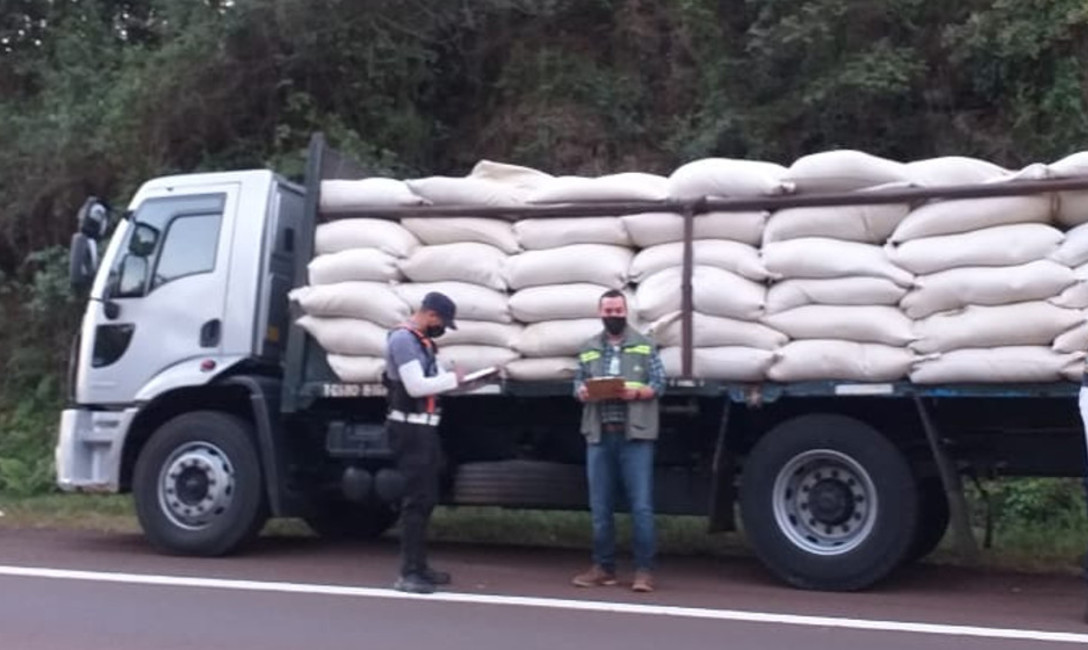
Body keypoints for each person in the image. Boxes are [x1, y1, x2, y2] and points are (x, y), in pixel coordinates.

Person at [571, 289, 666, 593]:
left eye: (617, 311)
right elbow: (578, 382)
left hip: (634, 435)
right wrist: (582, 391)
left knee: (641, 507)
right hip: (599, 434)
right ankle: (603, 567)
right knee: (600, 507)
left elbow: (659, 383)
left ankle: (644, 571)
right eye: (608, 311)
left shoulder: (644, 345)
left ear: (626, 312)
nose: (613, 315)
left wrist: (635, 393)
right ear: (600, 313)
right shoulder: (589, 348)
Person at [383, 291, 469, 594]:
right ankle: (408, 573)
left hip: (424, 428)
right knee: (416, 501)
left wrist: (460, 381)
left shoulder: (424, 344)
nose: (441, 328)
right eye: (442, 322)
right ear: (431, 315)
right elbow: (416, 386)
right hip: (409, 429)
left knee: (427, 497)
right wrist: (453, 380)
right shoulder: (403, 340)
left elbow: (434, 383)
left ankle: (420, 567)